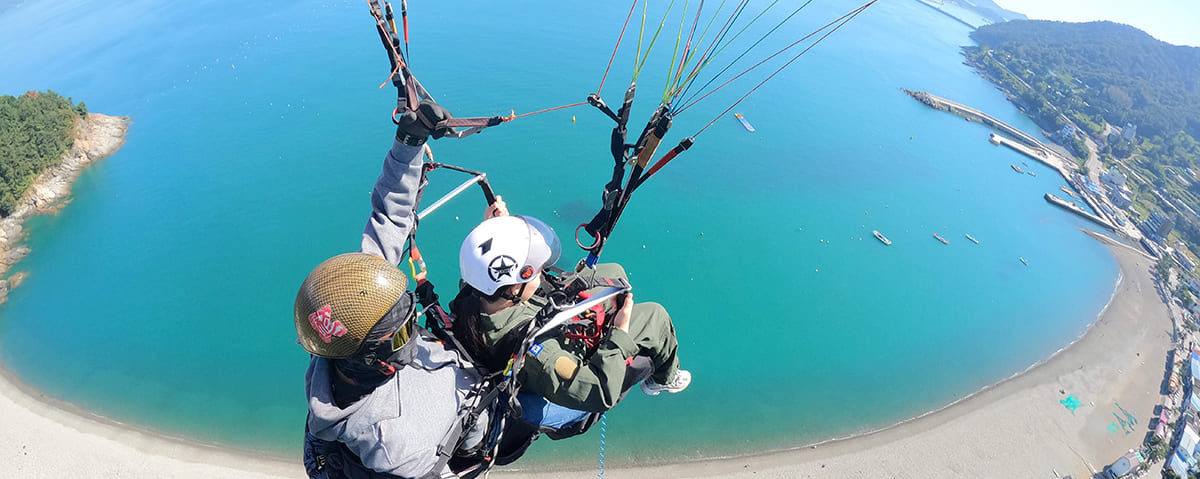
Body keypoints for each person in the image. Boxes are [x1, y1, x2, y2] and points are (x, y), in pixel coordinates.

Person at [297, 102, 487, 479]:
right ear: (378, 359)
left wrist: (408, 144)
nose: (414, 328)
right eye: (405, 330)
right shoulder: (397, 443)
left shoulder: (345, 326)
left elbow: (388, 219)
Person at [448, 206, 692, 429]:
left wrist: (499, 230)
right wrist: (619, 332)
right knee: (655, 316)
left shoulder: (475, 290)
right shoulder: (541, 356)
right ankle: (663, 379)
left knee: (614, 273)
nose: (541, 271)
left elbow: (486, 265)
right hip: (554, 351)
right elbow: (599, 392)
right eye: (535, 271)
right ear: (513, 289)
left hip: (532, 311)